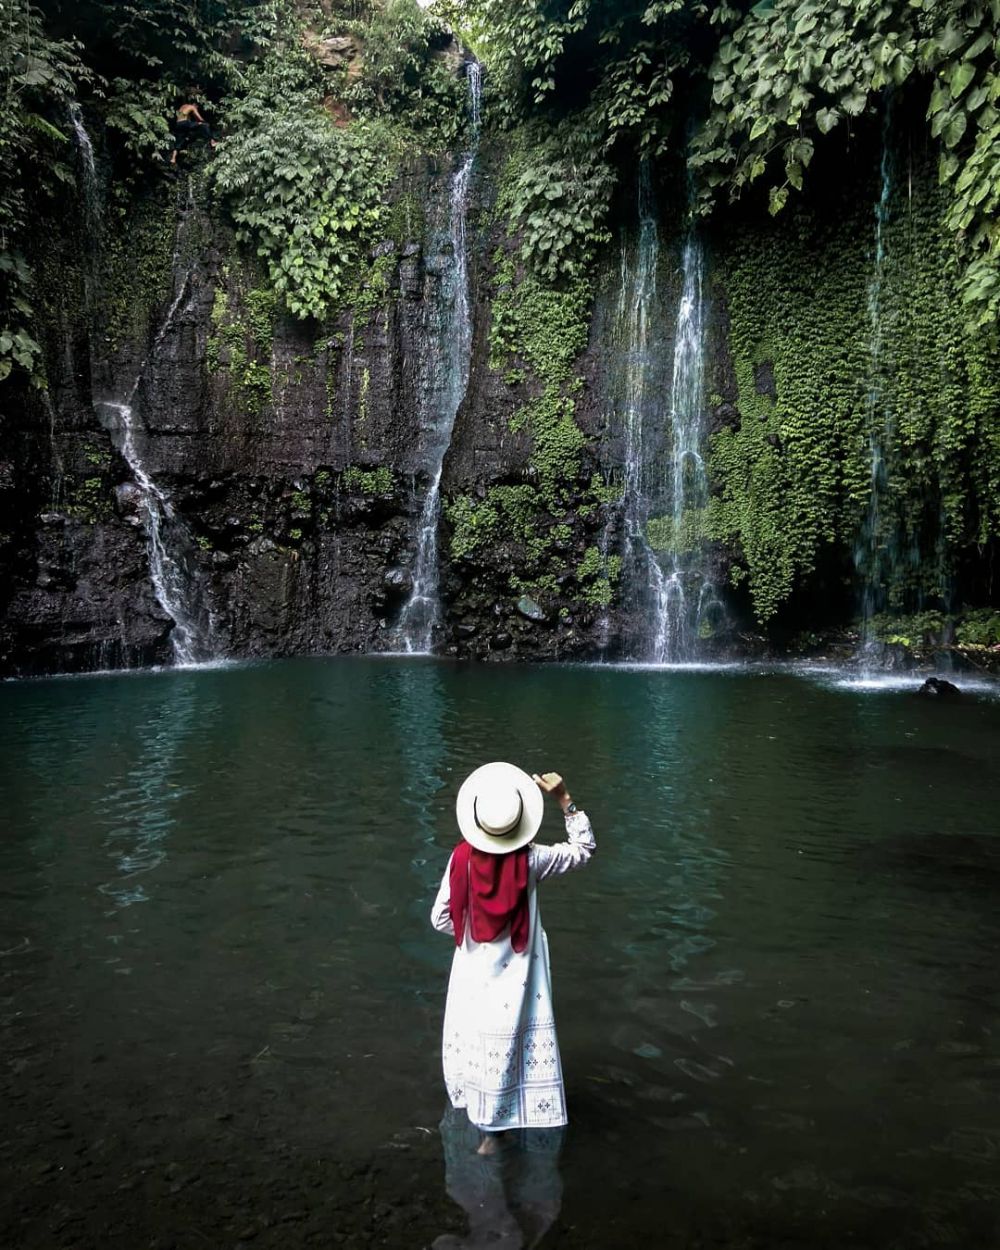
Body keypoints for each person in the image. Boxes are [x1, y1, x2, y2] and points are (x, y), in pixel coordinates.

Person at [430, 762, 596, 1149]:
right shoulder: (533, 859)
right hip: (521, 973)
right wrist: (565, 801)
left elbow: (440, 918)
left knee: (479, 1041)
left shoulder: (460, 860)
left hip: (474, 971)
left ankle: (485, 1126)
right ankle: (508, 1124)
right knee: (513, 1042)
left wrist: (473, 933)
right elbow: (583, 850)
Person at [169, 98, 216, 165]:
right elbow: (199, 118)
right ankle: (212, 141)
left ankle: (173, 159)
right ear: (195, 104)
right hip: (185, 123)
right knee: (205, 125)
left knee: (179, 141)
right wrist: (204, 122)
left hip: (178, 124)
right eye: (197, 107)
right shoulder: (192, 107)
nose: (196, 108)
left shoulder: (183, 106)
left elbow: (184, 117)